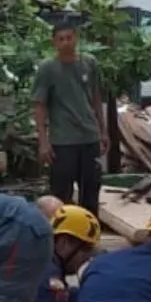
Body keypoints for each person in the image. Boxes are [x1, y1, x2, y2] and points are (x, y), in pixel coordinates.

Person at [32, 18, 109, 216]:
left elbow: (96, 98)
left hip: (89, 137)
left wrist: (103, 131)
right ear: (54, 42)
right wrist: (43, 141)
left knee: (90, 193)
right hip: (63, 141)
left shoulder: (89, 63)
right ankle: (61, 239)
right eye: (61, 39)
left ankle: (89, 238)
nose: (66, 42)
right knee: (61, 195)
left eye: (69, 37)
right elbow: (39, 105)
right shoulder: (48, 69)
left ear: (76, 38)